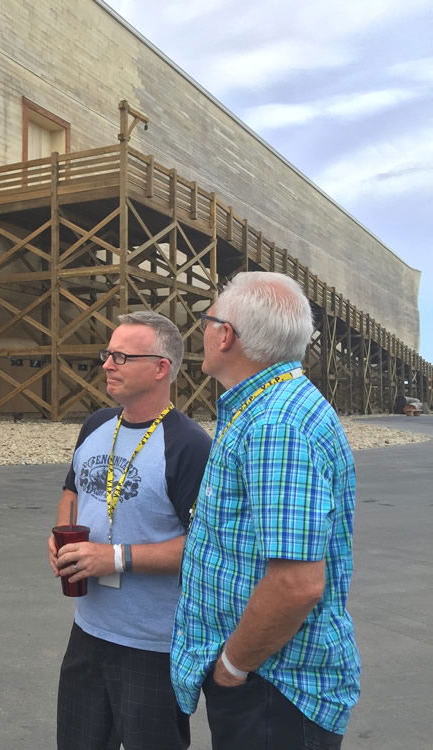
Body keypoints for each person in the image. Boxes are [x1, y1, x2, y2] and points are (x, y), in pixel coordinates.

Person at [171, 272, 360, 749]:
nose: (204, 332)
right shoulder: (269, 408)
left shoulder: (275, 423)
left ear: (226, 335)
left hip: (272, 689)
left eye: (208, 320)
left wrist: (232, 667)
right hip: (266, 681)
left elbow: (296, 584)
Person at [48, 311, 210, 750]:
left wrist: (114, 557)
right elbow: (72, 489)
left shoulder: (189, 446)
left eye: (121, 356)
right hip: (88, 631)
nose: (106, 364)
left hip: (152, 645)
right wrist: (62, 536)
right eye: (107, 353)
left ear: (160, 368)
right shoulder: (98, 424)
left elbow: (204, 547)